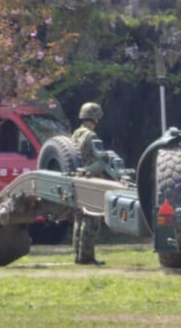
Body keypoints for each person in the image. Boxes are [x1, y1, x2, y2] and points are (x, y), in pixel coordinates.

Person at [72, 101, 106, 266]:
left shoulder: (76, 134)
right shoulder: (91, 136)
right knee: (91, 219)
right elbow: (99, 161)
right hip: (90, 181)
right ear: (95, 118)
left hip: (77, 181)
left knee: (79, 219)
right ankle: (86, 256)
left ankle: (78, 255)